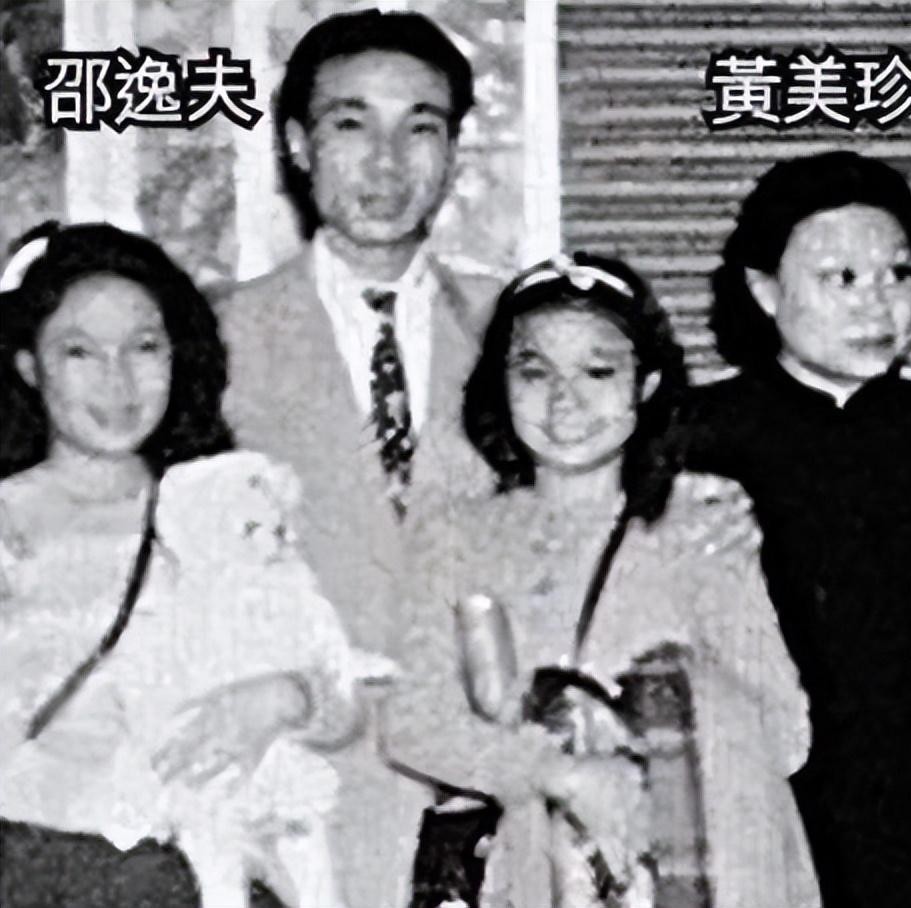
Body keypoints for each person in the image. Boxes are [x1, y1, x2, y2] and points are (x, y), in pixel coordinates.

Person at [378, 252, 820, 908]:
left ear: (646, 385)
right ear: (500, 384)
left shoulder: (697, 527)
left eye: (598, 371)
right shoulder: (459, 537)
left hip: (687, 876)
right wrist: (558, 772)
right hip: (522, 874)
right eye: (534, 371)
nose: (565, 400)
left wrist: (654, 735)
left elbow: (785, 732)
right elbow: (412, 721)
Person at [216, 9, 503, 905]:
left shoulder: (523, 336)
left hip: (491, 806)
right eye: (352, 125)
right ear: (298, 145)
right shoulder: (209, 341)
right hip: (290, 808)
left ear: (452, 151)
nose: (387, 163)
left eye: (421, 128)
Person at [0, 223, 360, 907]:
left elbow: (338, 691)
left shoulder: (223, 502)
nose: (117, 380)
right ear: (28, 365)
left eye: (143, 347)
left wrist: (286, 698)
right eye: (79, 351)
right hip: (33, 869)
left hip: (196, 872)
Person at [676, 151, 911, 907]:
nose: (877, 305)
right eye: (842, 278)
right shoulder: (693, 440)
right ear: (764, 290)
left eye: (898, 275)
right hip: (761, 813)